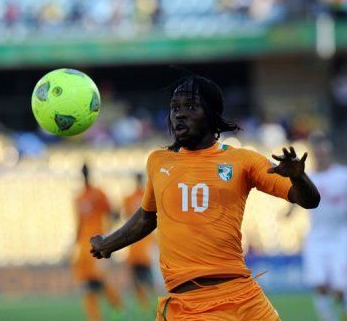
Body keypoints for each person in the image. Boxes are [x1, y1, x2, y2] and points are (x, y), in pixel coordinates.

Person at [90, 75, 320, 320]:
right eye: (175, 108)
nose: (179, 114)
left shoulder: (243, 161)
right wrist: (108, 244)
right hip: (189, 307)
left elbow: (308, 199)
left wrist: (299, 178)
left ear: (211, 114)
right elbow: (147, 217)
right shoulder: (159, 161)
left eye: (190, 106)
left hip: (244, 299)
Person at [288, 133, 347, 321]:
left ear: (330, 152)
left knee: (340, 288)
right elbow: (296, 195)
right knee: (320, 284)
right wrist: (288, 211)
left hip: (340, 236)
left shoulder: (345, 175)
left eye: (324, 151)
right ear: (314, 154)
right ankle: (328, 318)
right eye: (318, 152)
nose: (321, 155)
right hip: (316, 237)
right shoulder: (309, 177)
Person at [73, 163, 122, 321]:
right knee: (86, 285)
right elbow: (79, 223)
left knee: (99, 281)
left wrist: (108, 237)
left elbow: (113, 213)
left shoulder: (98, 193)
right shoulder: (78, 197)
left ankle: (117, 309)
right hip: (82, 247)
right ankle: (95, 318)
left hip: (97, 245)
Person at [123, 173, 155, 310]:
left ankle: (149, 304)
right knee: (139, 280)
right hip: (138, 246)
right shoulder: (132, 197)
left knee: (144, 280)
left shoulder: (136, 197)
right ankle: (146, 305)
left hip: (141, 246)